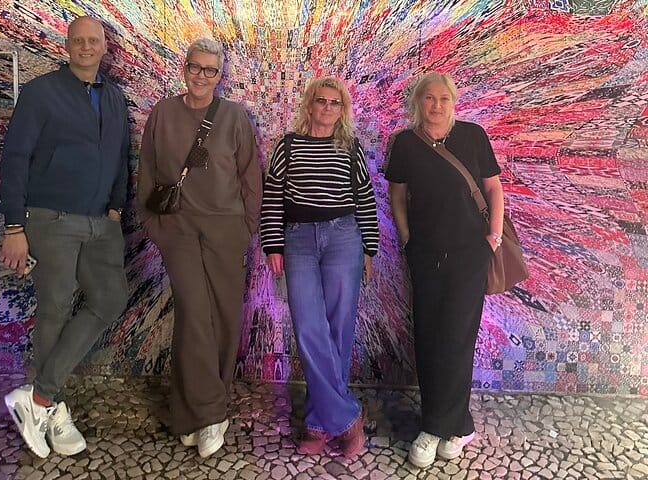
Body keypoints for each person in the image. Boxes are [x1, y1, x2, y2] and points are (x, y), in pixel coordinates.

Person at [0, 16, 130, 459]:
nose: (86, 47)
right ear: (68, 45)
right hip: (50, 219)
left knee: (109, 298)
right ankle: (52, 408)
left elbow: (120, 157)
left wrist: (116, 209)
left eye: (94, 41)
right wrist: (13, 226)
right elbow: (15, 158)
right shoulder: (40, 93)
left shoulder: (114, 98)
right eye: (79, 41)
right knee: (54, 309)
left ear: (105, 47)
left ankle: (38, 398)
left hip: (100, 223)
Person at [136, 38, 262, 458]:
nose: (202, 76)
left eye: (210, 70)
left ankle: (194, 413)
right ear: (184, 67)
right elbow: (147, 171)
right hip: (179, 229)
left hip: (226, 229)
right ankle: (210, 414)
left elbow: (250, 176)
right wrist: (155, 226)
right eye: (196, 67)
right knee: (194, 314)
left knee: (224, 318)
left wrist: (246, 227)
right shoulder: (163, 114)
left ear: (219, 75)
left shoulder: (234, 116)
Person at [384, 72, 505, 468]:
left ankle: (434, 428)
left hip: (470, 255)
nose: (436, 105)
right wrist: (407, 239)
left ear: (454, 102)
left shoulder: (472, 136)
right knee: (428, 337)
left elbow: (493, 188)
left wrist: (492, 238)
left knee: (455, 338)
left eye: (443, 98)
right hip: (425, 255)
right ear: (418, 102)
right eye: (429, 98)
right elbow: (397, 195)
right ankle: (459, 424)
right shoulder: (405, 143)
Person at [260, 77, 379, 459]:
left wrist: (370, 249)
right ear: (309, 105)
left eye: (334, 102)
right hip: (298, 241)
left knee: (339, 330)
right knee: (310, 328)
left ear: (342, 110)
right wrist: (272, 243)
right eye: (321, 101)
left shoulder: (350, 148)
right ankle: (347, 418)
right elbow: (273, 196)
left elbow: (365, 198)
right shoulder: (288, 146)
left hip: (344, 238)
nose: (327, 108)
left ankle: (317, 423)